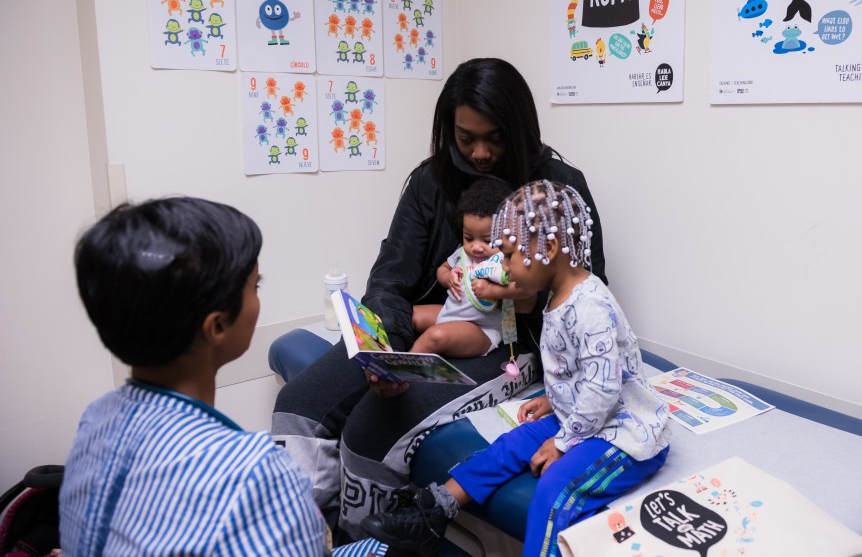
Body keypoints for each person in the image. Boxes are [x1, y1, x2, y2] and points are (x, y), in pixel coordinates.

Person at [272, 57, 608, 538]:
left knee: (370, 427)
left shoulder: (558, 191)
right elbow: (390, 277)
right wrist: (384, 349)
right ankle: (296, 536)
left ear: (520, 129)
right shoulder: (430, 182)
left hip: (508, 341)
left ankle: (361, 543)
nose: (480, 153)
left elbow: (589, 295)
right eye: (466, 138)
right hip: (429, 324)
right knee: (299, 403)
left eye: (495, 138)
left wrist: (536, 320)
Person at [61, 197, 387, 557]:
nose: (258, 297)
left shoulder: (95, 419)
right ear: (216, 326)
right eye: (255, 286)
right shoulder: (254, 475)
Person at [360, 181, 670, 556]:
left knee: (554, 488)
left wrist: (562, 443)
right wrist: (554, 401)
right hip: (587, 415)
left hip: (624, 432)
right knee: (510, 445)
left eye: (508, 256)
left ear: (548, 250)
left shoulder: (590, 306)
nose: (503, 268)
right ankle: (434, 512)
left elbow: (604, 387)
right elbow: (583, 372)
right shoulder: (560, 296)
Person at [410, 177, 531, 358]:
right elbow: (442, 269)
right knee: (407, 314)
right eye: (468, 238)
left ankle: (400, 367)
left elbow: (525, 290)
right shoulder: (463, 253)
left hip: (481, 329)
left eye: (487, 240)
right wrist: (448, 277)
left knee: (436, 336)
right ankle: (380, 352)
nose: (476, 247)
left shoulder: (505, 261)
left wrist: (493, 290)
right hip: (449, 312)